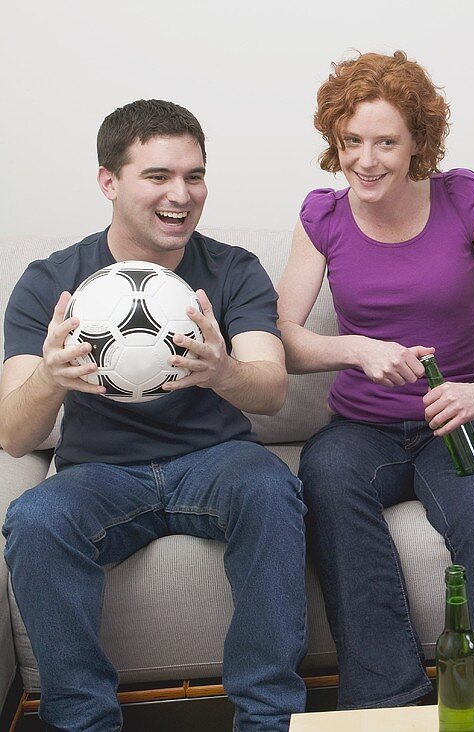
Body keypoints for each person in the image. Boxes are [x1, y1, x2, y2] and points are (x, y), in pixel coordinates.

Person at [0, 100, 307, 731]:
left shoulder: (233, 270)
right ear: (108, 182)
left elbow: (271, 389)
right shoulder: (50, 282)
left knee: (271, 488)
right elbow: (13, 435)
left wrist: (222, 370)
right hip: (101, 471)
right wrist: (50, 380)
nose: (182, 195)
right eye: (158, 176)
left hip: (215, 461)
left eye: (194, 176)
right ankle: (82, 722)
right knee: (34, 517)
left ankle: (269, 719)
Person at [275, 50, 474, 707]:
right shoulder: (322, 216)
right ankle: (386, 702)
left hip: (456, 421)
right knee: (324, 476)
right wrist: (356, 350)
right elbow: (282, 338)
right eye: (351, 142)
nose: (365, 160)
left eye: (385, 143)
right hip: (361, 430)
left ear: (417, 144)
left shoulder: (464, 198)